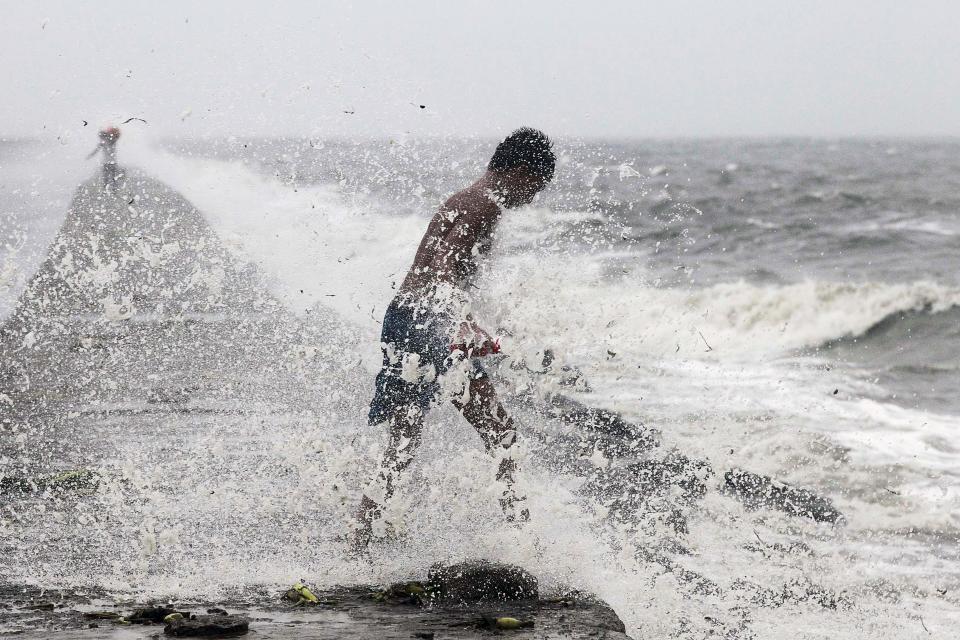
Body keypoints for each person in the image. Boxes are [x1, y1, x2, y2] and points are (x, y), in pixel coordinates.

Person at [353, 128, 556, 550]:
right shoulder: (484, 205)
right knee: (502, 434)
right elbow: (444, 267)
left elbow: (439, 268)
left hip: (405, 316)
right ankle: (526, 542)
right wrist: (461, 322)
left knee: (404, 439)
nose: (532, 200)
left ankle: (361, 537)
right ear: (519, 173)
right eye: (534, 188)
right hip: (433, 322)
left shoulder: (466, 197)